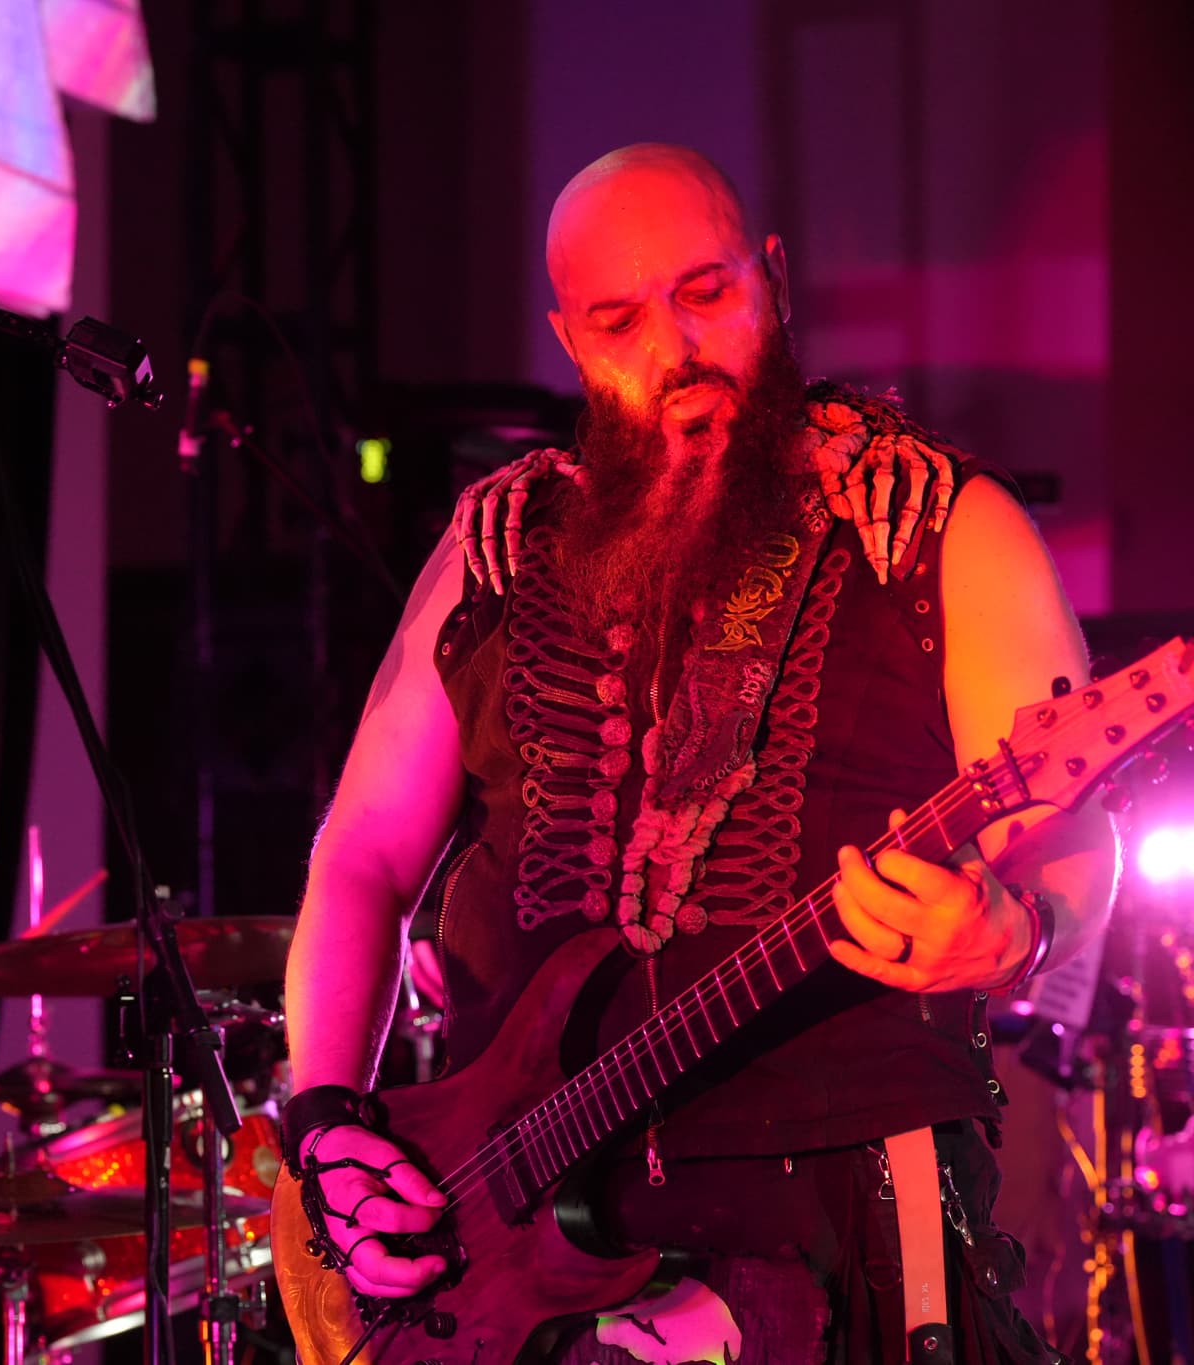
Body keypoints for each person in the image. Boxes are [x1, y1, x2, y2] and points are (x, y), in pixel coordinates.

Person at [279, 144, 1118, 1363]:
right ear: (567, 340)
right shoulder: (499, 542)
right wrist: (324, 1120)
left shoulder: (937, 523)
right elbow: (357, 852)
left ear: (771, 279)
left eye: (705, 294)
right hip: (499, 1233)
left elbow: (1067, 830)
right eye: (619, 320)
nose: (672, 352)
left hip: (835, 1203)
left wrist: (1016, 933)